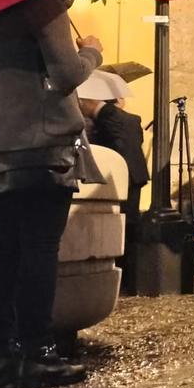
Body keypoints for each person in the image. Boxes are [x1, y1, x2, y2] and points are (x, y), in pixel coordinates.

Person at [0, 0, 102, 388]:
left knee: (7, 247)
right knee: (40, 248)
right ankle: (38, 352)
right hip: (44, 146)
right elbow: (66, 75)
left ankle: (0, 354)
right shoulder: (44, 7)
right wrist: (93, 52)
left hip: (1, 146)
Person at [78, 96, 149, 294]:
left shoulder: (107, 119)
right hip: (135, 176)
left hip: (119, 179)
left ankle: (121, 276)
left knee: (118, 227)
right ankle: (128, 277)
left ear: (90, 101)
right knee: (128, 224)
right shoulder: (129, 118)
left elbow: (113, 150)